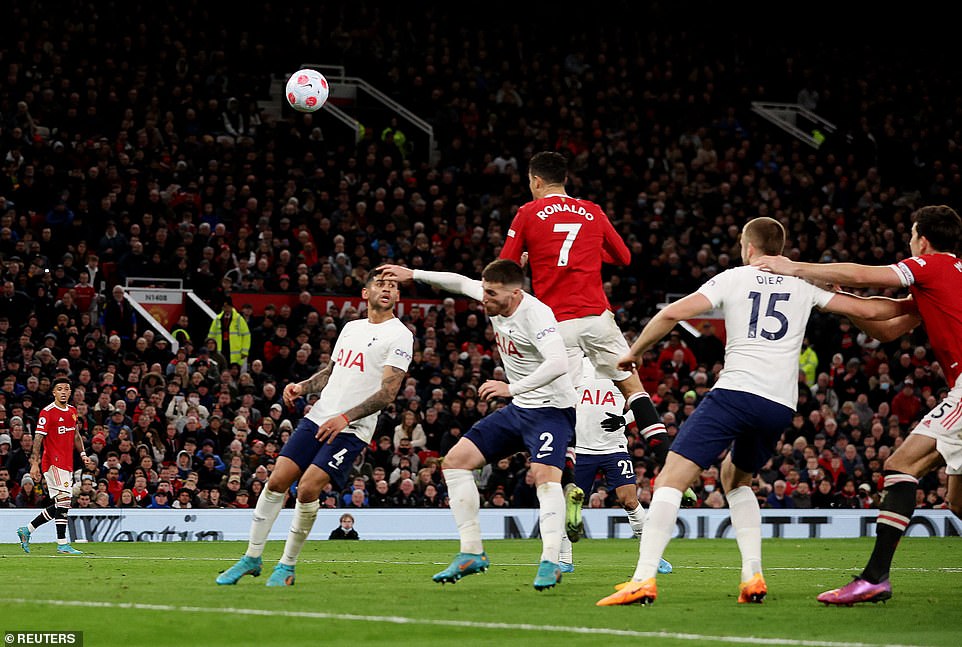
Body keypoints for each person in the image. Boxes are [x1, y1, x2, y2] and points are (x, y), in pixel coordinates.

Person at [596, 217, 907, 606]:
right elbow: (874, 312)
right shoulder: (803, 283)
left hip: (737, 393)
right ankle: (752, 575)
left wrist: (633, 353)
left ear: (748, 247)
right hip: (779, 405)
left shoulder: (734, 277)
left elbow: (672, 313)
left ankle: (643, 578)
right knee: (735, 479)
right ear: (781, 247)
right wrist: (921, 303)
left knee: (670, 480)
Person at [752, 204, 962, 606]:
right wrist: (836, 299)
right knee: (957, 501)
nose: (908, 241)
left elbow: (865, 274)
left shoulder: (931, 266)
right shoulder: (945, 280)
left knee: (902, 466)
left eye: (911, 234)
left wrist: (795, 267)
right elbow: (886, 322)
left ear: (923, 239)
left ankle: (874, 578)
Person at [499, 150, 669, 541]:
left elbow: (505, 272)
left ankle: (571, 477)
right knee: (633, 387)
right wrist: (588, 254)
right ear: (565, 178)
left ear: (535, 181)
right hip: (597, 316)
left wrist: (526, 261)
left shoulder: (527, 213)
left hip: (555, 322)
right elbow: (624, 257)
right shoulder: (592, 211)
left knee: (562, 401)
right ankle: (665, 457)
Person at [379, 259, 575, 591]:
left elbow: (558, 362)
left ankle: (551, 560)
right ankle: (472, 552)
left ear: (515, 294)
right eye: (484, 290)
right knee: (455, 462)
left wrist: (511, 388)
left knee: (544, 478)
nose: (484, 298)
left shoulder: (537, 315)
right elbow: (456, 281)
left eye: (492, 293)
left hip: (552, 410)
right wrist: (414, 274)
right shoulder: (491, 295)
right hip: (520, 408)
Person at [215, 268, 412, 587]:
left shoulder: (400, 335)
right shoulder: (351, 327)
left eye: (393, 286)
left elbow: (388, 393)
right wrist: (303, 387)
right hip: (319, 417)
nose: (387, 289)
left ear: (398, 296)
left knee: (307, 488)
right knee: (277, 480)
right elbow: (332, 373)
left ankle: (287, 566)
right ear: (365, 294)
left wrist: (346, 418)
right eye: (380, 284)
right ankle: (251, 558)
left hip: (351, 428)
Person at [559, 356, 674, 575]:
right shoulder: (575, 364)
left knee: (629, 501)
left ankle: (653, 556)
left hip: (614, 448)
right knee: (571, 504)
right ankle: (564, 559)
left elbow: (641, 401)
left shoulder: (617, 365)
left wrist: (624, 420)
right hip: (582, 449)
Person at [16, 377, 94, 555]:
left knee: (62, 504)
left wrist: (82, 454)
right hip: (53, 462)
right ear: (54, 392)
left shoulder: (73, 411)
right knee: (65, 501)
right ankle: (62, 544)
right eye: (60, 389)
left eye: (67, 388)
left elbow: (75, 435)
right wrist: (34, 464)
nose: (64, 392)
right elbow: (38, 438)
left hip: (67, 462)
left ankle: (27, 530)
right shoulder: (47, 412)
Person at [206, 296, 251, 371]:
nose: (226, 309)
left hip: (235, 352)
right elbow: (211, 335)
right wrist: (210, 348)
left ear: (231, 307)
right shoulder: (217, 319)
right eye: (224, 307)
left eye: (227, 307)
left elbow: (246, 336)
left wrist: (244, 351)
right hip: (220, 349)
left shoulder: (239, 319)